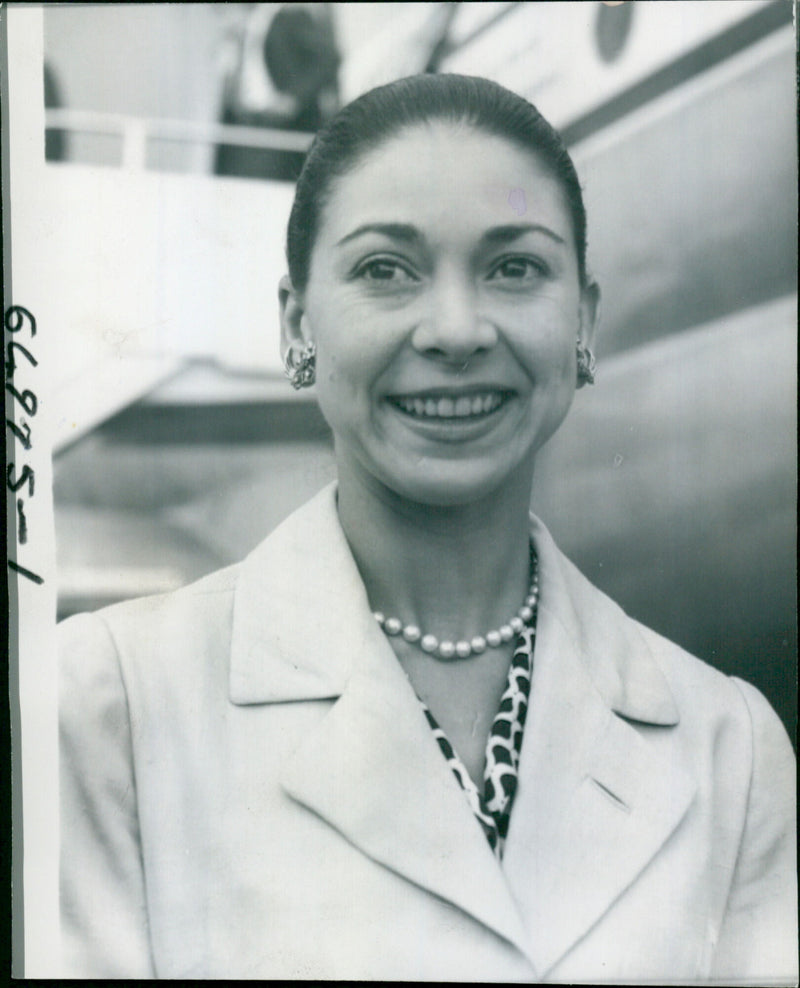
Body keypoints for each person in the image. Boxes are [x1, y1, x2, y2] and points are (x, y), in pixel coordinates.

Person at [58, 73, 797, 982]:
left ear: (584, 324)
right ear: (296, 325)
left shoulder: (729, 746)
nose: (455, 329)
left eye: (514, 267)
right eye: (385, 271)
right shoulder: (111, 706)